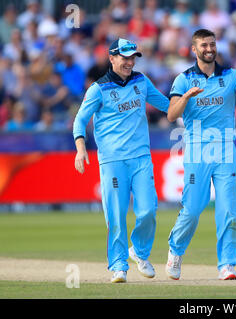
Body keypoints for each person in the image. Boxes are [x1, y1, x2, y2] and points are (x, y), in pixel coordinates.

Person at [165, 29, 236, 280]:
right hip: (197, 151)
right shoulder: (184, 79)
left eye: (212, 44)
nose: (209, 49)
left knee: (230, 210)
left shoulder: (230, 76)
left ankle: (227, 264)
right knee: (194, 208)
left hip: (224, 151)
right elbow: (171, 115)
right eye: (203, 45)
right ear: (194, 50)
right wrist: (186, 97)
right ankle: (175, 251)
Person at [72, 38, 172, 283]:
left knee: (148, 211)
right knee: (116, 214)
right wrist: (81, 147)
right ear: (112, 58)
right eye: (124, 57)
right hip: (112, 160)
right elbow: (80, 120)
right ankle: (118, 266)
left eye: (132, 58)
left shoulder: (141, 80)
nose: (129, 62)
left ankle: (139, 252)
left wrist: (189, 101)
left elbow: (167, 106)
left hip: (141, 158)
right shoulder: (98, 88)